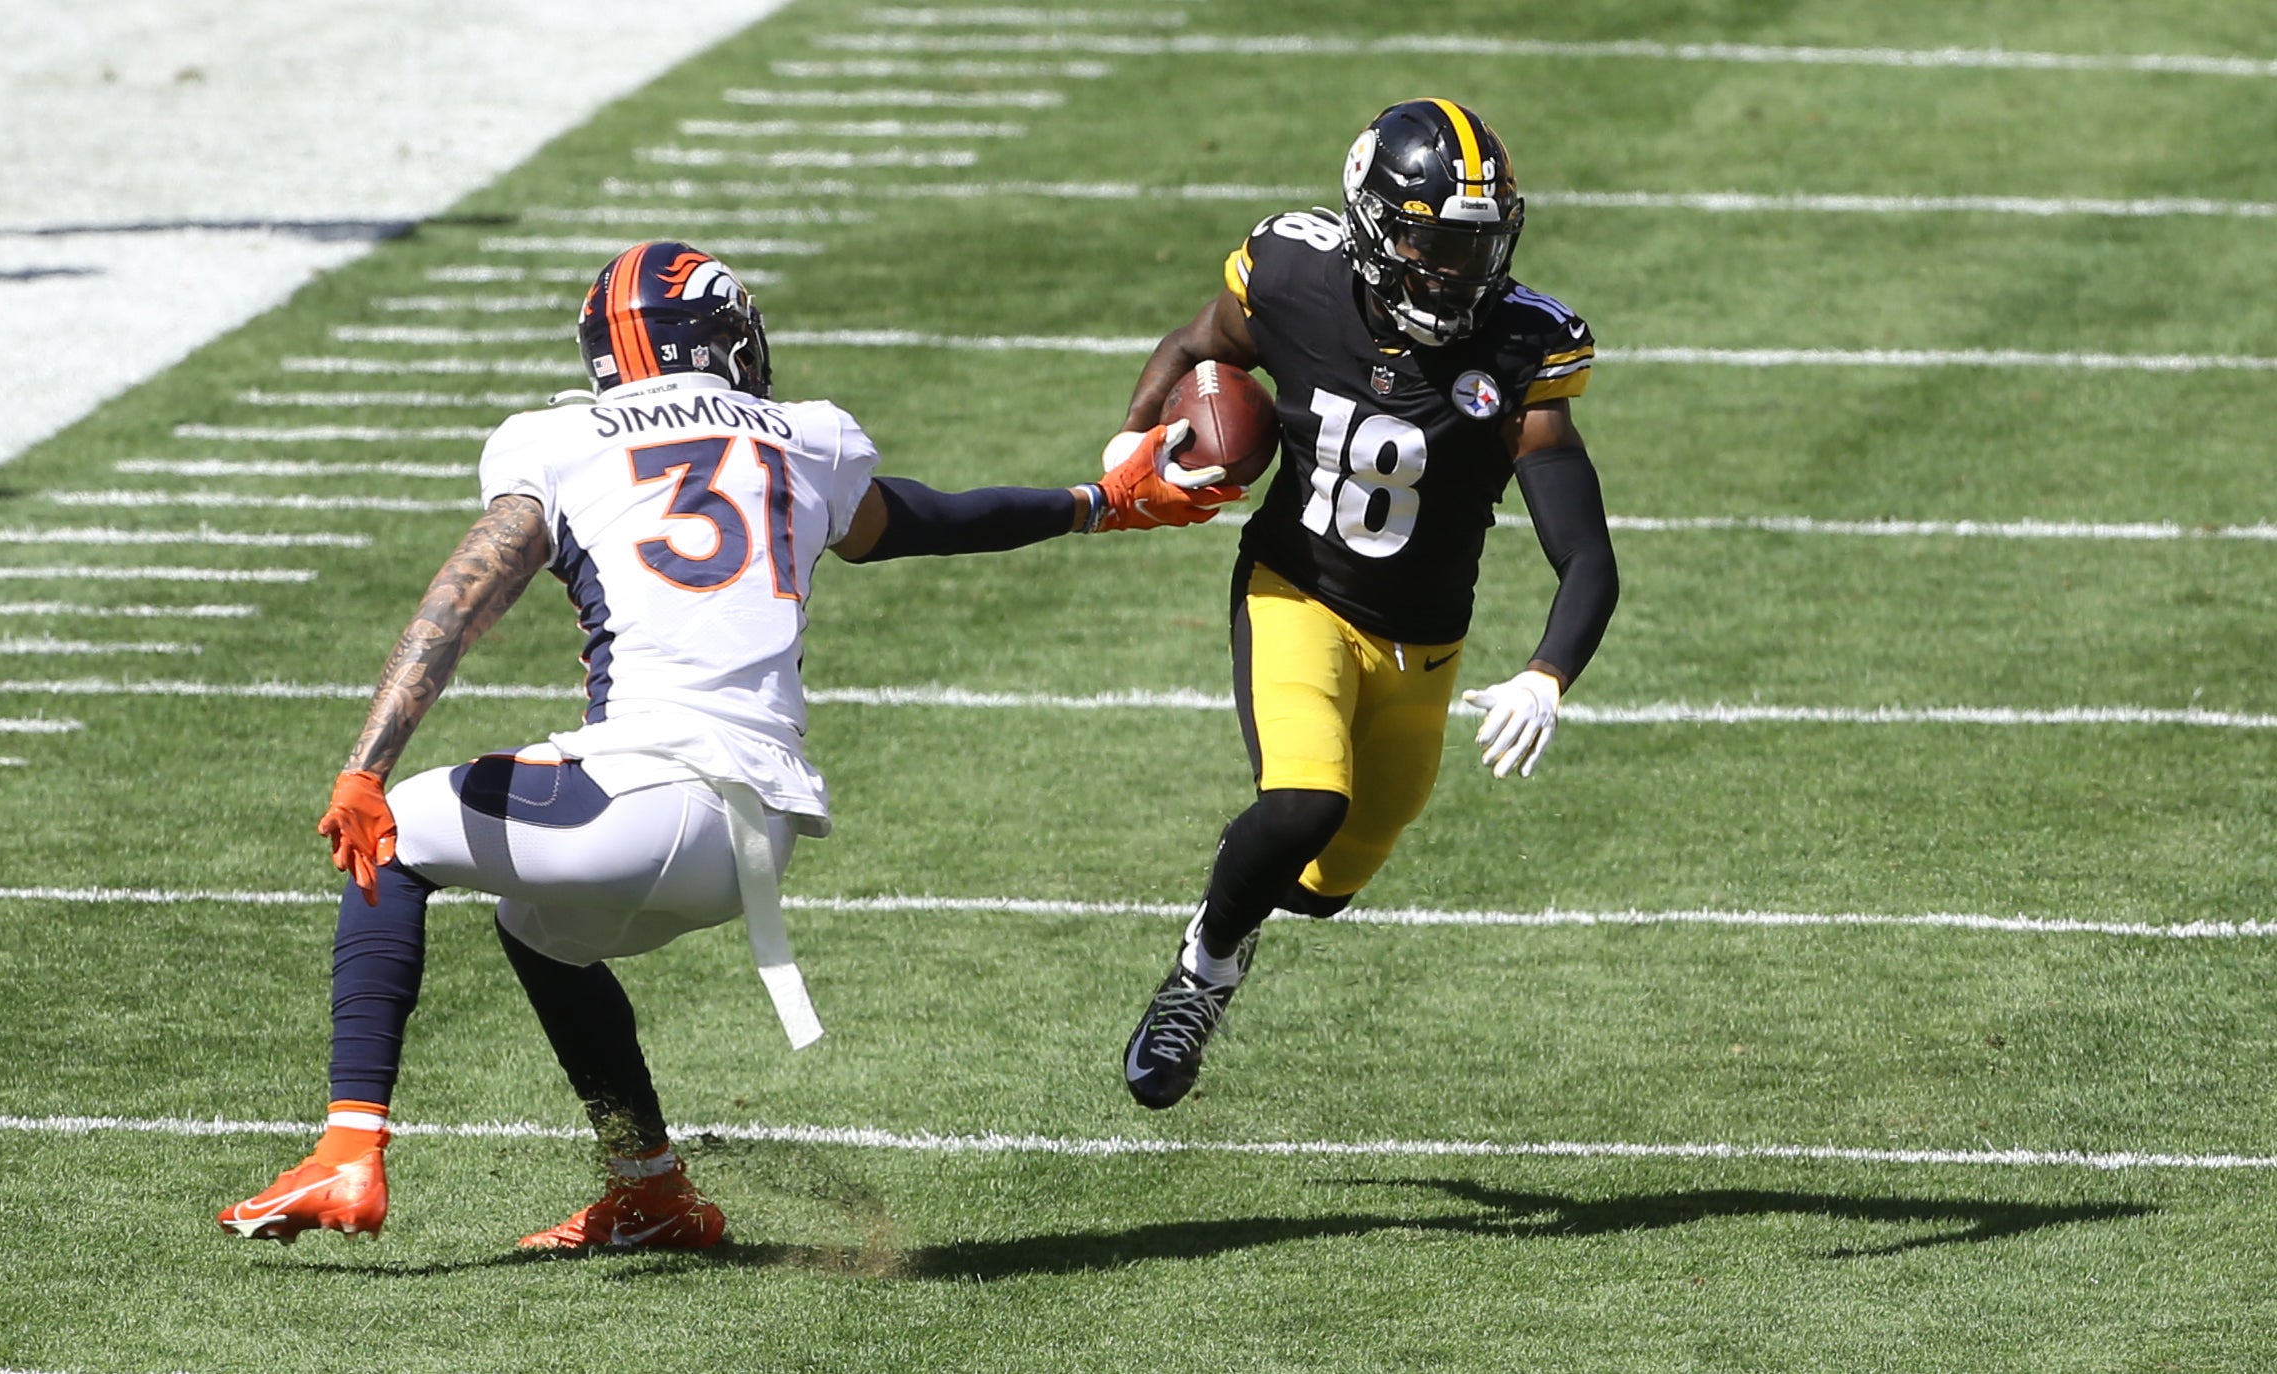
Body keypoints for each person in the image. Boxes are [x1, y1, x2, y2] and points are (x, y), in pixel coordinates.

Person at [218, 240, 1236, 1247]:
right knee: (539, 930)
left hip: (632, 805)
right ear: (724, 339)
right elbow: (916, 520)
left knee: (388, 837)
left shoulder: (559, 441)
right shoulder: (809, 437)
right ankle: (650, 1188)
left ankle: (348, 1148)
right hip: (751, 841)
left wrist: (368, 766)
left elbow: (464, 597)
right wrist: (1096, 502)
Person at [1116, 99, 1620, 1109]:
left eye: (1476, 248)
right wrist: (1130, 447)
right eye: (1432, 245)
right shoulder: (1296, 278)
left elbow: (1589, 556)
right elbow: (1199, 341)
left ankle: (1245, 880)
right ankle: (1201, 975)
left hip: (1425, 647)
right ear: (1373, 224)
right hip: (1297, 591)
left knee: (1323, 885)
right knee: (1308, 800)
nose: (1456, 272)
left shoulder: (1523, 348)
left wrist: (1546, 674)